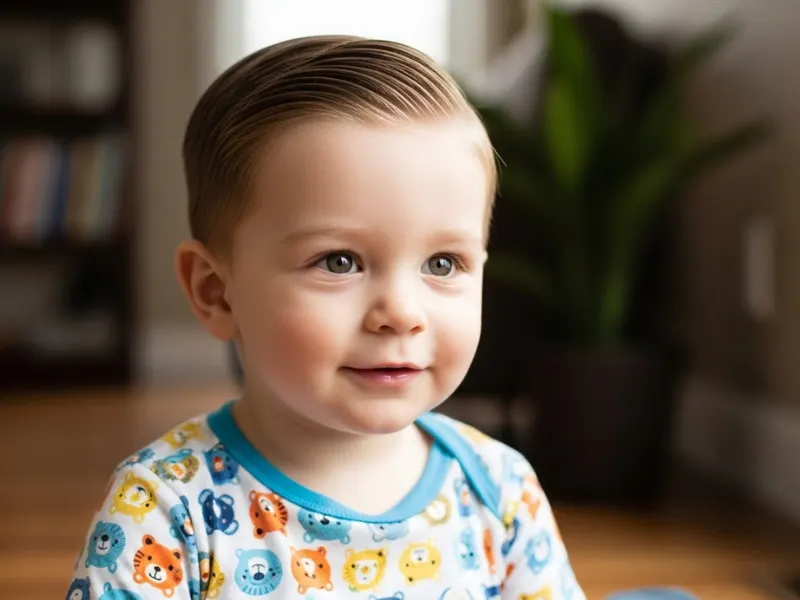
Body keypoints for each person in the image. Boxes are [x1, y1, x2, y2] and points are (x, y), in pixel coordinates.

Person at [65, 35, 586, 600]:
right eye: (340, 261)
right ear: (217, 292)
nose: (402, 314)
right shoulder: (164, 511)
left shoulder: (500, 490)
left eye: (443, 262)